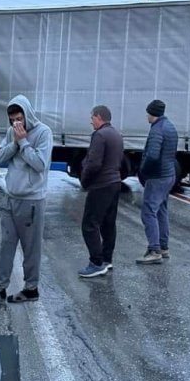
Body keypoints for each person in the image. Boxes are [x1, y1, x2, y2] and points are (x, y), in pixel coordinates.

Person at [0, 95, 53, 306]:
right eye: (13, 119)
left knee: (31, 247)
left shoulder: (43, 132)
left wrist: (23, 142)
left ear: (27, 114)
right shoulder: (10, 132)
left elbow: (40, 164)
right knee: (6, 244)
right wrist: (14, 143)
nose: (17, 123)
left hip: (32, 201)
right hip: (10, 198)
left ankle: (31, 288)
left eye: (19, 118)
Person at [78, 105, 124, 278]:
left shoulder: (99, 135)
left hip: (101, 185)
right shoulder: (116, 134)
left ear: (99, 117)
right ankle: (107, 259)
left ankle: (96, 263)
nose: (91, 121)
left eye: (92, 117)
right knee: (108, 224)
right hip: (114, 183)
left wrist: (85, 180)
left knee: (89, 225)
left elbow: (94, 163)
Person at [137, 99, 178, 265]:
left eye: (148, 112)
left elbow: (152, 155)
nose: (146, 115)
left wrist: (143, 171)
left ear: (152, 112)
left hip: (157, 177)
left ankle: (154, 250)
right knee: (161, 211)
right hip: (168, 175)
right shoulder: (170, 127)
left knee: (148, 212)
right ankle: (163, 246)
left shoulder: (157, 130)